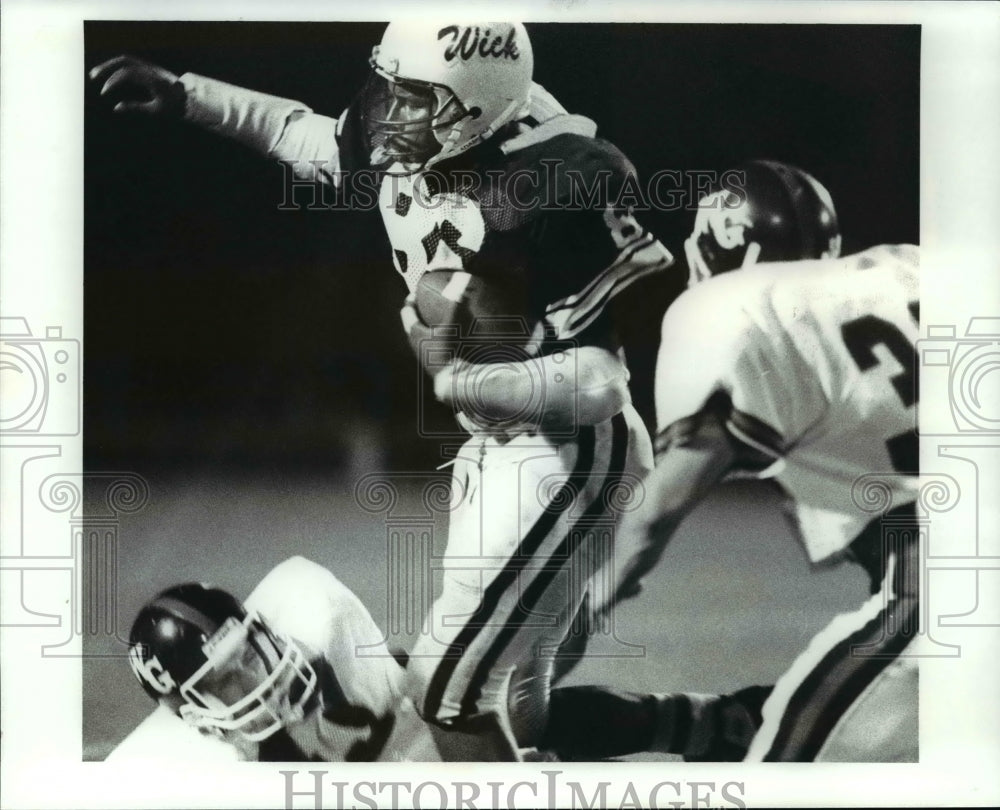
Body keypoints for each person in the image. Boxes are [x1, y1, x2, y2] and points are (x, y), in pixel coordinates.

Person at [89, 22, 672, 756]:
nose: (388, 116)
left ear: (476, 109)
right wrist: (186, 95)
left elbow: (600, 384)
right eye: (389, 89)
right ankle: (692, 727)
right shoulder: (410, 131)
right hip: (495, 442)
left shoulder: (557, 178)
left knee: (445, 688)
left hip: (567, 451)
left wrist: (457, 376)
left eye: (414, 101)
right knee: (515, 688)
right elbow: (300, 134)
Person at [542, 162, 919, 763]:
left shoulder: (729, 306)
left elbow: (655, 515)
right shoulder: (908, 265)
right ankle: (698, 724)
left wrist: (579, 613)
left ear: (725, 248)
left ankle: (703, 728)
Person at [111, 555, 516, 761]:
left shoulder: (322, 621)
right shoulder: (169, 771)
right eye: (223, 681)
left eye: (248, 655)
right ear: (195, 716)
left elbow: (436, 710)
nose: (256, 682)